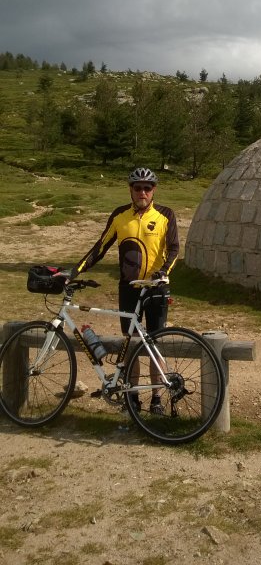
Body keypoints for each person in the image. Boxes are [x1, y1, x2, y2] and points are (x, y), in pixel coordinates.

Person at [71, 166, 179, 414]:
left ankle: (156, 398)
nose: (143, 192)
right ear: (130, 190)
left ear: (154, 191)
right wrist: (76, 271)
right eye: (137, 187)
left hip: (155, 289)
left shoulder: (166, 215)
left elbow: (174, 250)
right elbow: (100, 247)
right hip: (128, 289)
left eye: (147, 188)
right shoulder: (120, 216)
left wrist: (163, 273)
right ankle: (132, 398)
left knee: (154, 345)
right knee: (130, 345)